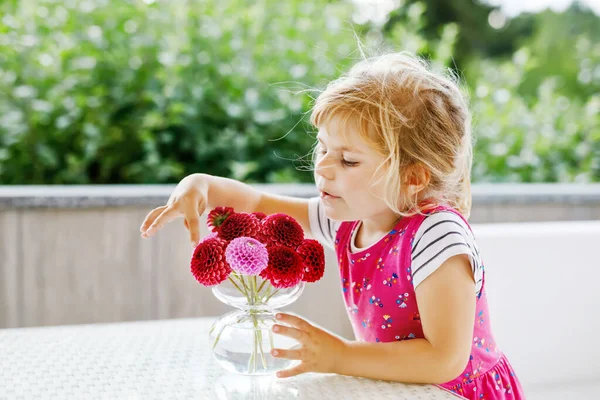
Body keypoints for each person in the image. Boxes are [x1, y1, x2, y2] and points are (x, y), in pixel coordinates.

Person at [139, 51, 525, 399]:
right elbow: (255, 202)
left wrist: (338, 354)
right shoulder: (347, 219)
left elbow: (444, 361)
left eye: (348, 161)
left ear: (413, 177)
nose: (321, 167)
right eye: (323, 148)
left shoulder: (435, 235)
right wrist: (199, 185)